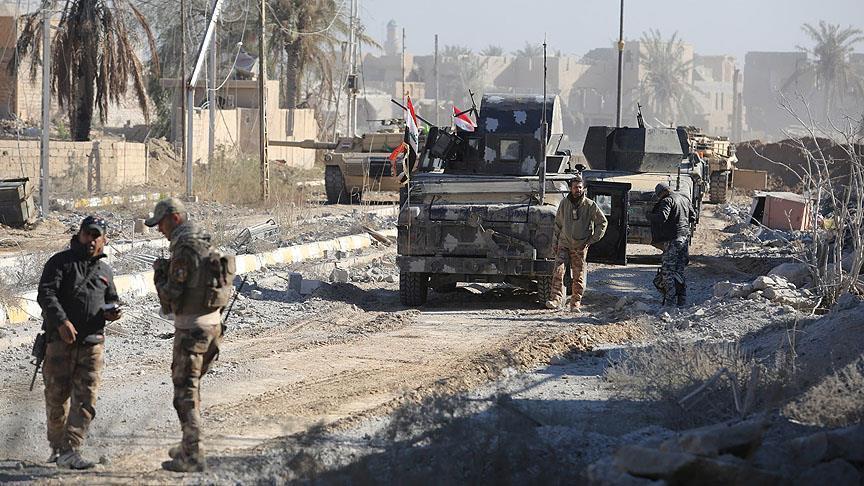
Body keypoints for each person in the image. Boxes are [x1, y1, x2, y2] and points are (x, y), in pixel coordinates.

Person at [146, 197, 233, 472]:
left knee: (184, 393)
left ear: (175, 218)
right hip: (212, 326)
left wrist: (159, 275)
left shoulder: (185, 249)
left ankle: (193, 455)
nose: (160, 230)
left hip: (192, 330)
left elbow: (171, 296)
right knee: (192, 388)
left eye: (161, 224)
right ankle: (188, 444)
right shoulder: (205, 242)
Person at [37, 215, 122, 469]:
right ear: (80, 235)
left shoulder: (105, 271)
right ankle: (58, 448)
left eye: (96, 236)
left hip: (92, 345)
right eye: (88, 234)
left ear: (104, 240)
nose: (91, 240)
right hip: (59, 344)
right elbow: (46, 294)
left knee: (86, 400)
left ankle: (71, 449)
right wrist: (62, 322)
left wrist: (113, 312)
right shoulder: (60, 263)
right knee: (56, 399)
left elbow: (112, 299)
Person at [547, 176, 608, 312]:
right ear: (570, 188)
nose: (578, 190)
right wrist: (555, 242)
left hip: (580, 246)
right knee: (558, 272)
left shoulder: (590, 205)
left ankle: (575, 303)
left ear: (583, 188)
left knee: (578, 275)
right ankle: (555, 299)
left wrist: (592, 240)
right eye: (575, 187)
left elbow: (602, 222)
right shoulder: (564, 203)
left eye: (580, 187)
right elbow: (558, 224)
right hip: (564, 243)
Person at [647, 182, 696, 307]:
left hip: (672, 240)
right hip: (684, 239)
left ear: (662, 193)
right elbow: (693, 217)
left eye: (659, 195)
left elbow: (662, 217)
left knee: (667, 272)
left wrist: (650, 216)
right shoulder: (684, 199)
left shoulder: (667, 201)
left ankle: (670, 301)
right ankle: (682, 299)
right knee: (679, 271)